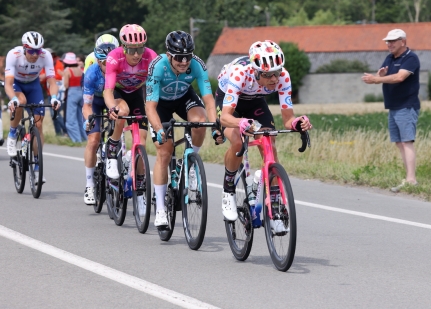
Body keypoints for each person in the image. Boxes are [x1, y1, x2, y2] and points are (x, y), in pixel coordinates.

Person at [217, 40, 312, 232]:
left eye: (277, 72)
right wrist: (240, 122)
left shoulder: (283, 76)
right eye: (268, 75)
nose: (274, 79)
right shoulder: (239, 74)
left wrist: (297, 123)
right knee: (236, 141)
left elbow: (288, 119)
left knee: (269, 141)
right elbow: (225, 117)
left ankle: (275, 207)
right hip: (230, 99)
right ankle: (228, 191)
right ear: (256, 71)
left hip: (255, 101)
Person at [146, 30, 223, 227]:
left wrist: (216, 127)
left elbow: (208, 100)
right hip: (160, 104)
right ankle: (161, 208)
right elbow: (150, 106)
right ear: (169, 55)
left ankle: (189, 166)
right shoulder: (157, 66)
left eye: (187, 56)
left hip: (184, 98)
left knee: (199, 120)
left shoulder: (197, 64)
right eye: (179, 57)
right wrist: (158, 129)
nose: (184, 61)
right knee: (165, 150)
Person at [361, 28, 420, 192]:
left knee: (407, 141)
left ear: (403, 41)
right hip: (393, 107)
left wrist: (376, 80)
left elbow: (400, 77)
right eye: (388, 41)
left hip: (406, 105)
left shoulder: (411, 58)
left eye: (393, 41)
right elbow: (383, 76)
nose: (389, 44)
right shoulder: (389, 58)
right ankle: (409, 177)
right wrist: (380, 75)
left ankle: (411, 179)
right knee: (399, 142)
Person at [4, 31, 62, 184]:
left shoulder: (46, 56)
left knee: (38, 124)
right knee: (20, 101)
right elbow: (8, 84)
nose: (35, 54)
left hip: (34, 85)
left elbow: (52, 82)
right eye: (31, 51)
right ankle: (12, 134)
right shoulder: (13, 55)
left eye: (38, 50)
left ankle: (37, 166)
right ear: (24, 48)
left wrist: (55, 97)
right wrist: (13, 99)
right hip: (17, 83)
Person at [103, 24, 157, 181]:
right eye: (131, 49)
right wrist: (112, 107)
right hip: (118, 92)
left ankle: (139, 185)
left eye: (140, 49)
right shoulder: (114, 57)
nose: (136, 55)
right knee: (123, 111)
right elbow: (107, 90)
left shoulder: (151, 56)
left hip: (137, 93)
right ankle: (112, 147)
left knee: (141, 141)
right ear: (123, 46)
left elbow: (155, 87)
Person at [81, 43, 116, 205]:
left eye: (110, 62)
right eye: (103, 62)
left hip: (112, 100)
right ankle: (89, 185)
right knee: (93, 140)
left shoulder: (119, 71)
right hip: (95, 102)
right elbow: (86, 106)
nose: (107, 66)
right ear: (98, 61)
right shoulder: (91, 73)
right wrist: (89, 119)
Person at [40, 48, 66, 136]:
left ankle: (66, 130)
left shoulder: (59, 63)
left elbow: (60, 75)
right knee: (53, 114)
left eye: (51, 55)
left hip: (59, 92)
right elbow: (40, 79)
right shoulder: (42, 65)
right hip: (49, 92)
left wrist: (48, 76)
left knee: (55, 112)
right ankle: (59, 133)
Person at [62, 52, 86, 143]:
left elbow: (66, 85)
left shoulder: (68, 71)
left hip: (72, 93)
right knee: (80, 117)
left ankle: (77, 140)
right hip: (81, 93)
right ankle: (85, 138)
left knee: (70, 120)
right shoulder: (80, 69)